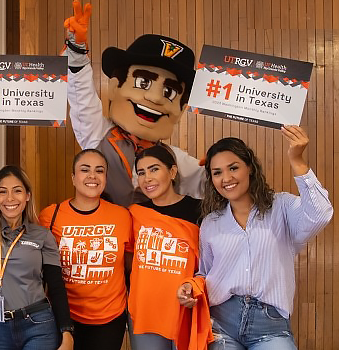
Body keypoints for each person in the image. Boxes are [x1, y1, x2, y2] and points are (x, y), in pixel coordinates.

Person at [178, 126, 334, 349]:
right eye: (217, 172)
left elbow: (320, 214)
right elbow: (205, 272)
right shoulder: (211, 222)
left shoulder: (281, 206)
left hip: (270, 324)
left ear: (249, 167)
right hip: (221, 321)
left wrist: (297, 160)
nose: (226, 178)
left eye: (233, 168)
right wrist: (189, 288)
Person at [0, 105, 74, 350]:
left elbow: (56, 286)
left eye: (17, 191)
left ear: (27, 196)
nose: (10, 198)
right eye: (3, 192)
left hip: (38, 323)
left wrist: (67, 332)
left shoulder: (41, 235)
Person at [63, 0, 204, 208]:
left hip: (151, 238)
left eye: (169, 92)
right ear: (115, 85)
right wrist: (76, 52)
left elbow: (210, 182)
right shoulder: (99, 135)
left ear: (181, 109)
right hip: (108, 233)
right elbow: (82, 99)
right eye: (143, 82)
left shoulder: (173, 159)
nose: (155, 98)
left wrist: (223, 161)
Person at [39, 149, 133, 350]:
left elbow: (129, 267)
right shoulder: (50, 216)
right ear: (73, 178)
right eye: (85, 170)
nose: (92, 176)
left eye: (99, 170)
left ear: (105, 178)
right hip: (64, 317)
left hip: (110, 319)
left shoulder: (122, 216)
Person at [126, 144, 205, 350]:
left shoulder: (199, 210)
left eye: (154, 169)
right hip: (145, 311)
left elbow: (210, 263)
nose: (147, 178)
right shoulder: (134, 213)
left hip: (185, 308)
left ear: (172, 172)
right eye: (141, 173)